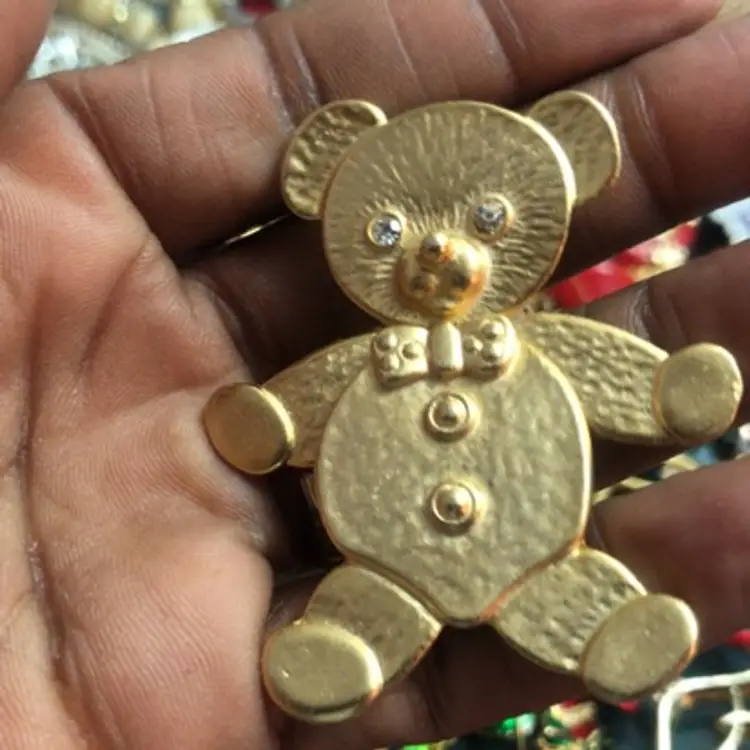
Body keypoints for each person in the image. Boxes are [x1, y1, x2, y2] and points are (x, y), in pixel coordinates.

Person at [1, 1, 749, 748]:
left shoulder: (531, 344)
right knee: (374, 596)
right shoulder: (368, 360)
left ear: (570, 169)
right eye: (389, 231)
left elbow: (593, 367)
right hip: (390, 551)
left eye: (487, 220)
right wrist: (277, 423)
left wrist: (662, 395)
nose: (436, 251)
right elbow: (303, 406)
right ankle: (344, 652)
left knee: (552, 581)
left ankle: (608, 629)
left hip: (531, 538)